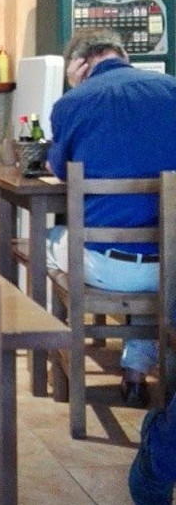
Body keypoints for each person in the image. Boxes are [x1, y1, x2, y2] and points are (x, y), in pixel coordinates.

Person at [45, 28, 176, 413]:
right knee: (157, 272)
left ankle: (54, 361)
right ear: (122, 55)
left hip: (106, 267)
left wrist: (74, 87)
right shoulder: (171, 89)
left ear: (80, 63)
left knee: (48, 239)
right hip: (171, 265)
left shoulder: (73, 102)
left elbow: (60, 169)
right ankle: (135, 371)